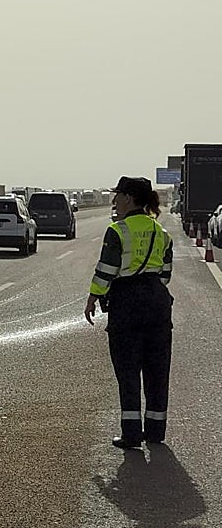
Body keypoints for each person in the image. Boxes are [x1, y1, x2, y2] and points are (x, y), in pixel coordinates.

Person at [84, 176, 174, 449]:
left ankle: (132, 433)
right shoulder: (162, 232)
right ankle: (156, 431)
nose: (114, 201)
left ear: (130, 198)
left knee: (128, 372)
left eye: (118, 195)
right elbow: (165, 275)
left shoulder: (118, 230)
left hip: (127, 306)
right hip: (158, 306)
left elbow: (106, 271)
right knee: (158, 371)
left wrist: (93, 297)